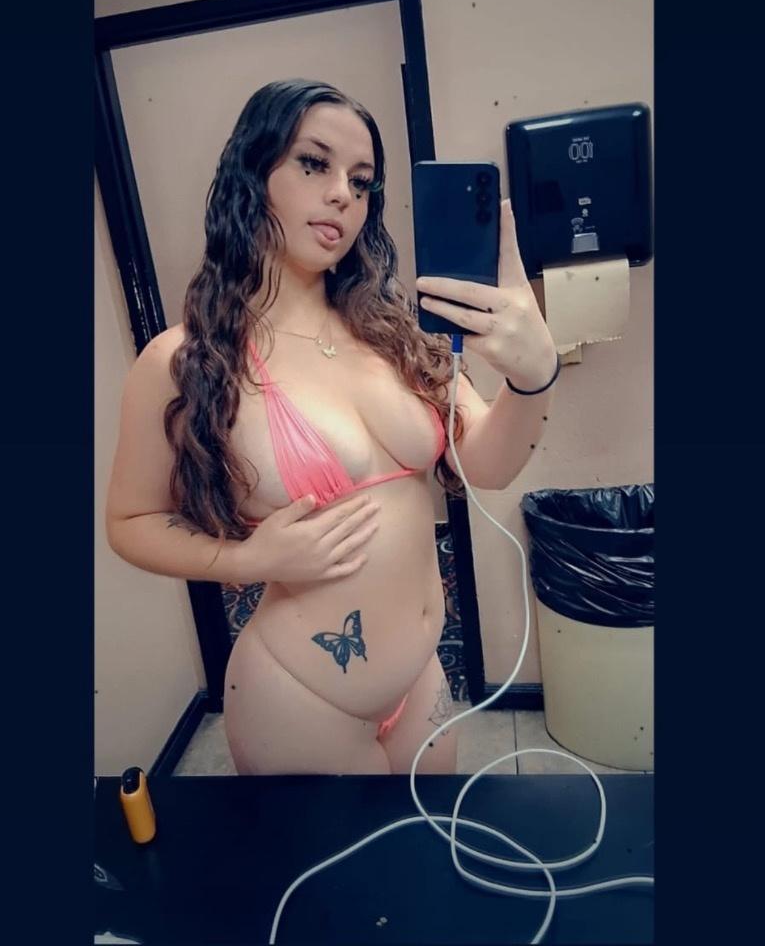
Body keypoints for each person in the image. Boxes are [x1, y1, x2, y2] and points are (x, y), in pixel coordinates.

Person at [105, 77, 558, 776]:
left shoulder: (397, 334)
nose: (344, 194)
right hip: (300, 696)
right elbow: (130, 521)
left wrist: (533, 377)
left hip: (422, 682)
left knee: (427, 849)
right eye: (314, 163)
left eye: (362, 179)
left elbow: (490, 467)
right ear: (254, 173)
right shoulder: (185, 359)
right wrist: (246, 562)